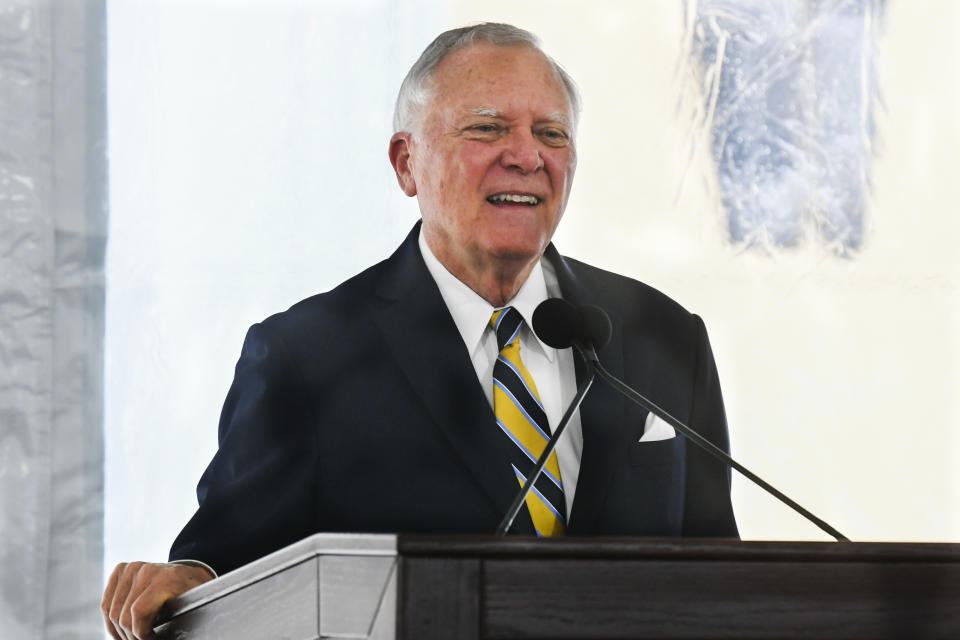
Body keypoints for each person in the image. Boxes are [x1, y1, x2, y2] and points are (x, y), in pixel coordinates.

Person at [102, 22, 738, 640]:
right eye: (487, 129)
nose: (526, 156)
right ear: (407, 163)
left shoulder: (666, 337)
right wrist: (189, 578)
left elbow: (726, 577)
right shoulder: (307, 356)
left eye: (551, 133)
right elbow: (225, 565)